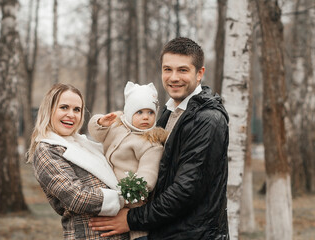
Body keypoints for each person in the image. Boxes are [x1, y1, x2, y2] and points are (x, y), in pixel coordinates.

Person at [89, 37, 230, 239]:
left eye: (183, 70)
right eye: (167, 69)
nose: (173, 77)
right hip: (167, 230)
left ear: (200, 73)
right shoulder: (168, 113)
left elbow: (185, 191)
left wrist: (131, 219)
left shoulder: (208, 120)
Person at [27, 83, 129, 240]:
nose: (71, 114)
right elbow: (77, 197)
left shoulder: (82, 143)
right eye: (64, 107)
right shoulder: (46, 149)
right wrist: (126, 200)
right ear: (49, 110)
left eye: (77, 109)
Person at [88, 81, 168, 240]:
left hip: (131, 200)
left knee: (137, 235)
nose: (146, 117)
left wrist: (123, 195)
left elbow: (147, 176)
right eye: (139, 112)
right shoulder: (117, 126)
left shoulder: (151, 143)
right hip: (108, 191)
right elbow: (97, 134)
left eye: (150, 113)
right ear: (129, 112)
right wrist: (100, 123)